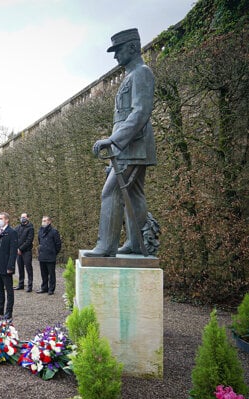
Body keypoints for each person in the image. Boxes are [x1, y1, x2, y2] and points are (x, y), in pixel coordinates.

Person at [85, 28, 157, 257]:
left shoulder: (142, 73)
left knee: (111, 192)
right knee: (134, 196)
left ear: (133, 48)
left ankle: (106, 246)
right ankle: (136, 244)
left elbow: (140, 112)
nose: (115, 56)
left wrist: (113, 140)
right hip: (128, 148)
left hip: (133, 147)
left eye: (118, 50)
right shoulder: (132, 75)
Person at [0, 212, 18, 319]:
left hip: (5, 266)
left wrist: (11, 266)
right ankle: (0, 308)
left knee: (9, 290)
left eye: (1, 218)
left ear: (7, 220)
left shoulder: (11, 232)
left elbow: (13, 251)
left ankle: (8, 311)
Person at [36, 216, 62, 295]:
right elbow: (39, 241)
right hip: (42, 255)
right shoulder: (40, 231)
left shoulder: (54, 232)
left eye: (45, 221)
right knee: (43, 273)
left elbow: (58, 244)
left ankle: (51, 289)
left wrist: (53, 252)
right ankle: (44, 287)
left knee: (51, 274)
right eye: (42, 220)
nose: (43, 222)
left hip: (50, 256)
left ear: (49, 222)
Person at [13, 213, 34, 292]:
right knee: (20, 267)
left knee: (28, 268)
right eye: (21, 217)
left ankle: (30, 285)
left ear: (28, 218)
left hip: (26, 251)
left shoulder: (30, 228)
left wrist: (20, 249)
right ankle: (21, 284)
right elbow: (14, 238)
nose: (22, 218)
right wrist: (16, 248)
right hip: (18, 251)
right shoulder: (17, 227)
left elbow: (29, 241)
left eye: (24, 217)